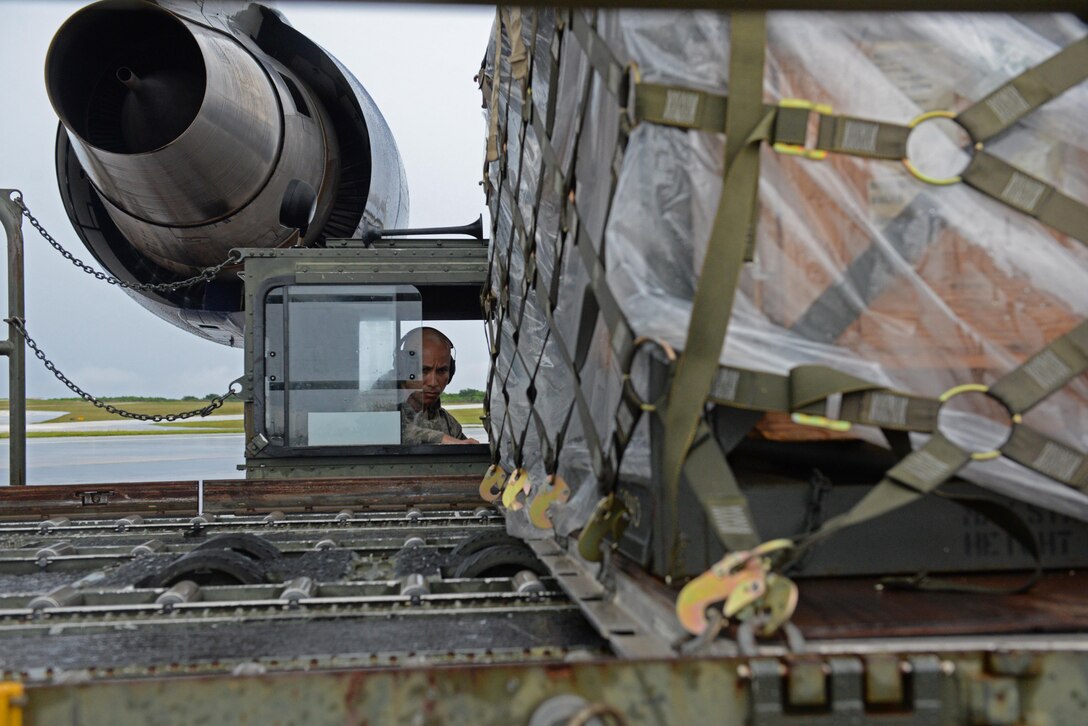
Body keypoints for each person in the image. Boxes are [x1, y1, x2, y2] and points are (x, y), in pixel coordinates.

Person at [398, 327, 480, 445]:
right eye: (424, 370)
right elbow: (387, 429)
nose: (433, 382)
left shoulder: (448, 424)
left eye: (441, 371)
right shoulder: (377, 403)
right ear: (404, 369)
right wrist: (441, 439)